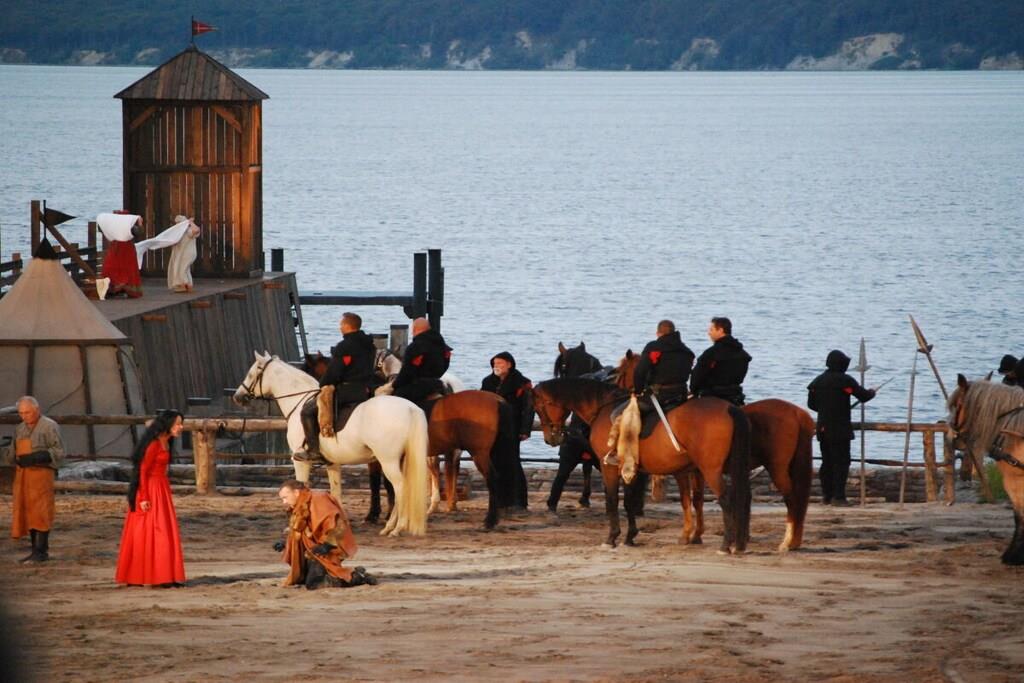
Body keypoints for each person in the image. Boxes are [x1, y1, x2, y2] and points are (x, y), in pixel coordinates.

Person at [115, 409, 186, 586]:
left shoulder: (166, 441)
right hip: (150, 488)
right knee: (153, 531)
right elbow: (143, 471)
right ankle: (148, 576)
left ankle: (164, 575)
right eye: (178, 424)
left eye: (181, 424)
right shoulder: (154, 444)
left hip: (161, 488)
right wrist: (144, 498)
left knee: (163, 530)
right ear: (168, 424)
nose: (181, 427)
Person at [299, 312, 377, 461]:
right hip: (366, 390)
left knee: (307, 411)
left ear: (348, 326)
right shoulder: (370, 345)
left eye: (341, 324)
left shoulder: (345, 346)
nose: (340, 327)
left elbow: (335, 371)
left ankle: (314, 451)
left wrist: (323, 384)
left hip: (347, 391)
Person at [275, 479, 376, 589]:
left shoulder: (319, 499)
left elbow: (338, 524)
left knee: (314, 583)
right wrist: (286, 544)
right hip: (312, 550)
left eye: (285, 497)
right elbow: (300, 532)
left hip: (326, 549)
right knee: (302, 577)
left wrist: (327, 545)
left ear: (296, 492)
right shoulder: (298, 507)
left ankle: (357, 577)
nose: (284, 502)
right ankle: (354, 573)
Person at [807, 350, 876, 506]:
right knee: (841, 462)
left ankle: (827, 496)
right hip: (839, 428)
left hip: (823, 427)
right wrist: (872, 392)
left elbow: (812, 404)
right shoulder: (845, 381)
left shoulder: (817, 381)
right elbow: (863, 396)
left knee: (827, 462)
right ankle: (838, 497)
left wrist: (826, 409)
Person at [1, 396, 64, 563]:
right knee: (28, 511)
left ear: (37, 410)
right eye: (21, 413)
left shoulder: (49, 426)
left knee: (41, 511)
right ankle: (34, 550)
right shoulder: (20, 428)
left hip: (41, 475)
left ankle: (41, 551)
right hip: (23, 476)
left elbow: (58, 451)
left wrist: (36, 457)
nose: (24, 416)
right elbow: (12, 453)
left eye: (27, 412)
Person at [481, 352, 534, 509]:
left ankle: (518, 500)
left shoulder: (522, 382)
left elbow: (529, 408)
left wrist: (525, 429)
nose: (496, 366)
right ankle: (500, 500)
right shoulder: (488, 381)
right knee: (495, 462)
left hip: (513, 427)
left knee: (513, 462)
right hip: (492, 429)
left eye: (500, 363)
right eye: (494, 363)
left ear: (509, 364)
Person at [633, 319, 696, 412]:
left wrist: (638, 391)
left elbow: (640, 371)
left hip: (658, 397)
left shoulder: (653, 347)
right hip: (681, 395)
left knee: (619, 413)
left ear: (658, 333)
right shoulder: (687, 351)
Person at [391, 317, 452, 408]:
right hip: (437, 384)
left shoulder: (415, 348)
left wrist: (395, 385)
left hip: (420, 387)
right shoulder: (442, 345)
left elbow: (407, 372)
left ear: (414, 329)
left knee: (397, 396)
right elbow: (445, 366)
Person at [690, 316, 751, 405]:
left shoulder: (711, 353)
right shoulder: (743, 354)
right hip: (735, 396)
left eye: (712, 330)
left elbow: (697, 376)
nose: (709, 333)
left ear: (720, 330)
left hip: (711, 396)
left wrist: (694, 390)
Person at [98, 212, 144, 298]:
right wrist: (140, 223)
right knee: (128, 268)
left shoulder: (113, 225)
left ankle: (112, 288)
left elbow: (101, 228)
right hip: (127, 249)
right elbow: (139, 232)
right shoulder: (129, 226)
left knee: (111, 266)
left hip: (115, 248)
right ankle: (125, 289)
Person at [166, 215, 200, 292]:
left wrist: (190, 223)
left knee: (182, 269)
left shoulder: (187, 229)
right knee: (185, 269)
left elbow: (196, 230)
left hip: (187, 254)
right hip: (184, 254)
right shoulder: (180, 232)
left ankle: (185, 284)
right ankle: (185, 285)